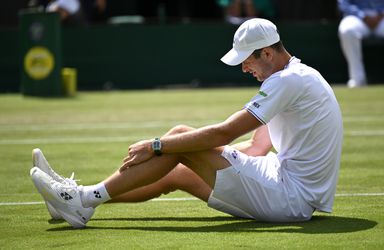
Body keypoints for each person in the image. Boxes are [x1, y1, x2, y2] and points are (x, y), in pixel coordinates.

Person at [30, 18, 343, 228]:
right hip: (286, 187)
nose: (245, 69)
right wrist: (202, 155)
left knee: (179, 137)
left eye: (246, 60)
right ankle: (81, 201)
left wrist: (157, 146)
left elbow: (226, 132)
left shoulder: (287, 82)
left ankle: (80, 199)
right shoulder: (295, 76)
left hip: (290, 198)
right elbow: (257, 146)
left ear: (266, 53)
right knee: (176, 172)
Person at [338, 0, 384, 88]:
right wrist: (363, 16)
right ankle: (357, 79)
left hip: (382, 17)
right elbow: (344, 3)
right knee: (347, 30)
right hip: (357, 17)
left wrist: (381, 14)